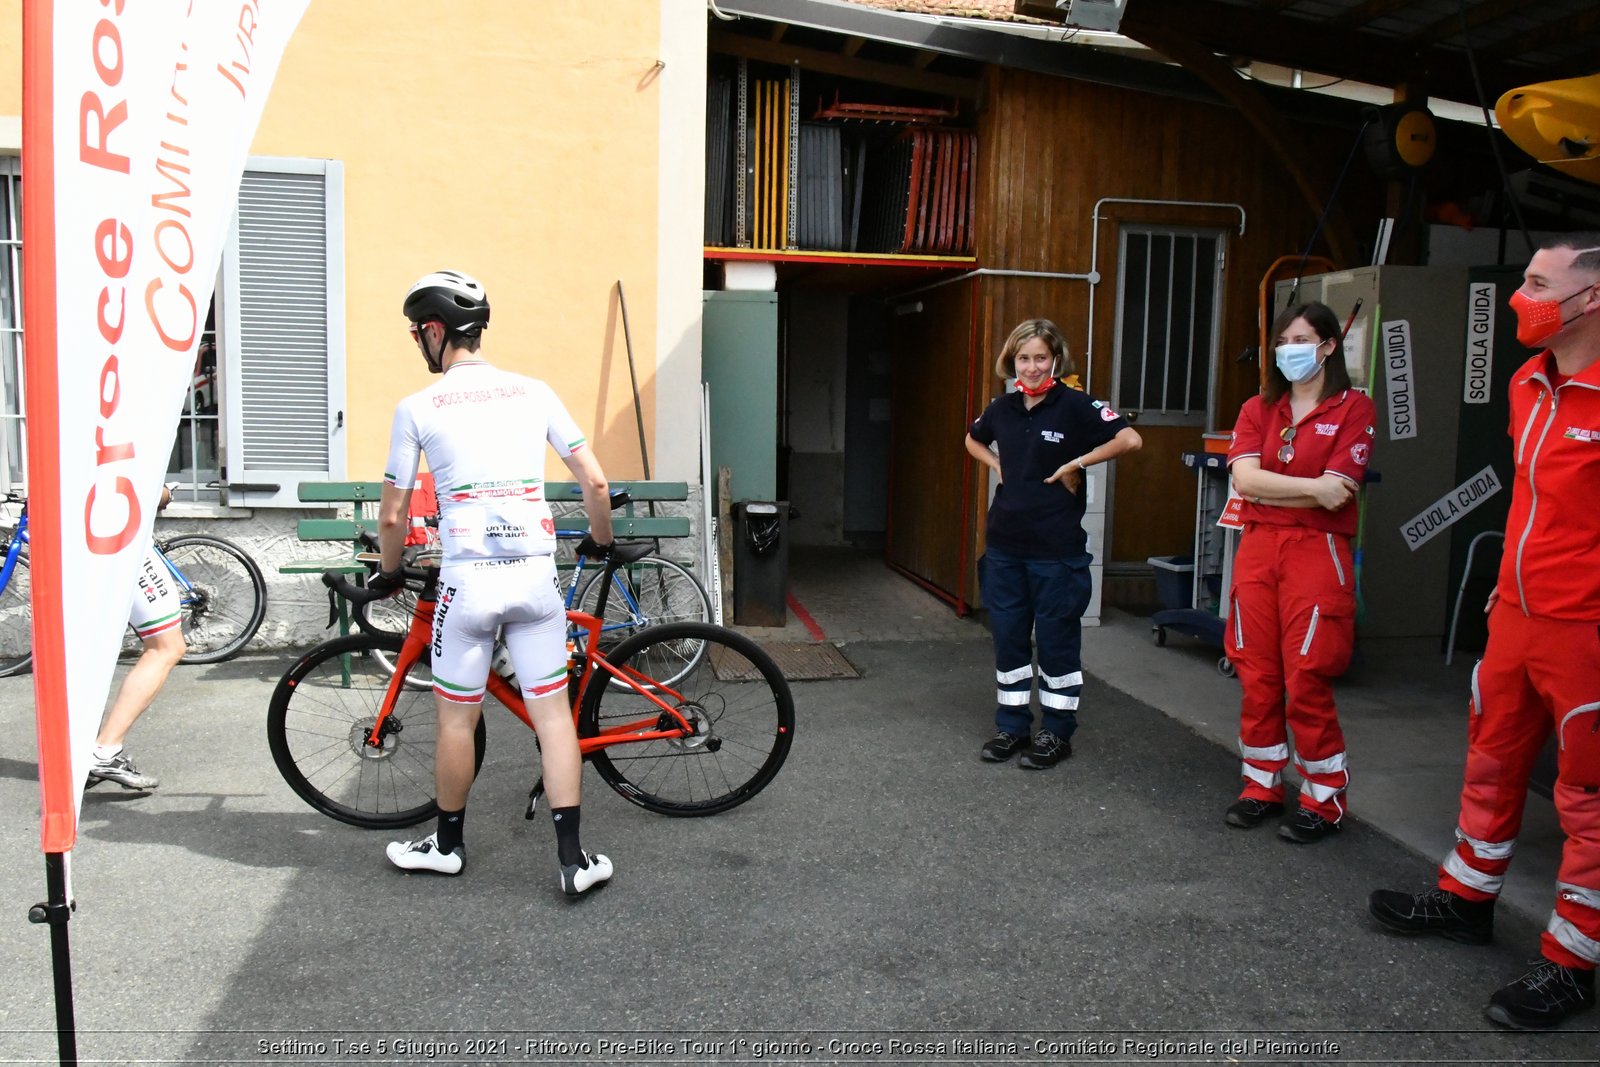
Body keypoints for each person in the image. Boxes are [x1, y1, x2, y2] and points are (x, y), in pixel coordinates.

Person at [1369, 234, 1600, 1031]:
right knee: (1492, 759)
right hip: (1514, 616)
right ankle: (1466, 899)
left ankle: (1572, 963)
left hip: (1586, 631)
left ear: (1591, 297)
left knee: (1588, 800)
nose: (1519, 296)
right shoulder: (1528, 383)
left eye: (1538, 281)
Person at [374, 270, 616, 897]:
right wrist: (602, 540)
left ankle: (447, 845)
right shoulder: (534, 392)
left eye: (415, 334)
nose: (416, 344)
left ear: (434, 331)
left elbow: (395, 513)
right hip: (535, 577)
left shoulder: (417, 408)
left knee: (457, 721)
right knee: (555, 718)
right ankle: (574, 859)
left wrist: (391, 569)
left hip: (467, 583)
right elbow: (595, 483)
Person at [1223, 301, 1374, 843]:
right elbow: (1246, 482)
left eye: (1303, 339)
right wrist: (1312, 488)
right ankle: (1261, 785)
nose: (1290, 350)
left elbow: (1341, 493)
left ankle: (1323, 800)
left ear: (1329, 346)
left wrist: (1277, 487)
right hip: (1260, 548)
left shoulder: (1354, 407)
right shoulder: (1257, 409)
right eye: (1284, 340)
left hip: (1318, 549)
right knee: (1257, 672)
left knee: (1306, 676)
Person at [963, 318, 1141, 769]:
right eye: (1024, 358)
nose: (1033, 366)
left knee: (1058, 641)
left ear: (1056, 359)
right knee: (1009, 641)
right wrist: (997, 465)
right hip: (1004, 548)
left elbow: (1129, 438)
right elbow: (972, 438)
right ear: (1013, 361)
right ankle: (1012, 727)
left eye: (1040, 357)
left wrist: (1076, 462)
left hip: (1056, 554)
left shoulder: (1076, 405)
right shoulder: (1002, 407)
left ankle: (1056, 734)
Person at [86, 483, 188, 791]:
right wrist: (165, 491)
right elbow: (139, 488)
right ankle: (103, 751)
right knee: (166, 647)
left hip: (78, 538)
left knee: (84, 647)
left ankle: (76, 749)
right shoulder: (119, 434)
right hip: (119, 540)